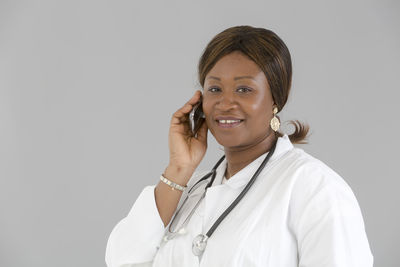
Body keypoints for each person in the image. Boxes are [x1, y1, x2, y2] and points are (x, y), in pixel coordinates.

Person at [105, 25, 373, 267]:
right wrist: (179, 167)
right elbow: (122, 260)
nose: (225, 103)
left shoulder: (315, 188)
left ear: (275, 100)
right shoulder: (192, 190)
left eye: (244, 89)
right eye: (214, 89)